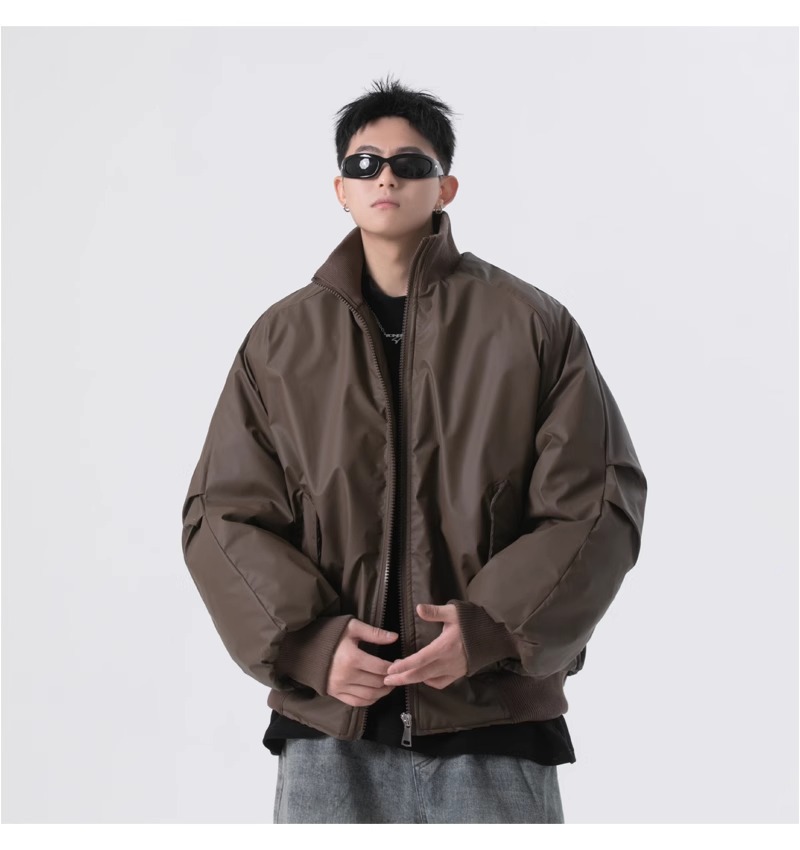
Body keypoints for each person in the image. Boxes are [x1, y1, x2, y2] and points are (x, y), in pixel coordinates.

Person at [180, 76, 648, 824]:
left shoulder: (532, 325)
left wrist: (490, 628)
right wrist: (307, 644)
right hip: (332, 729)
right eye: (364, 164)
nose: (386, 177)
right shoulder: (280, 341)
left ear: (446, 186)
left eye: (410, 163)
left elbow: (597, 503)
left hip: (492, 722)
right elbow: (223, 514)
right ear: (340, 189)